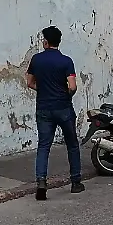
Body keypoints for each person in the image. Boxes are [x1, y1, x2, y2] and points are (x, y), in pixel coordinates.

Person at [27, 26, 83, 201]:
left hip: (43, 107)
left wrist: (42, 90)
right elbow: (72, 86)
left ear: (45, 41)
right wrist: (66, 94)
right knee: (72, 144)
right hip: (63, 107)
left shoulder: (36, 59)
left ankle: (41, 182)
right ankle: (75, 182)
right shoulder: (66, 61)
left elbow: (29, 82)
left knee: (44, 146)